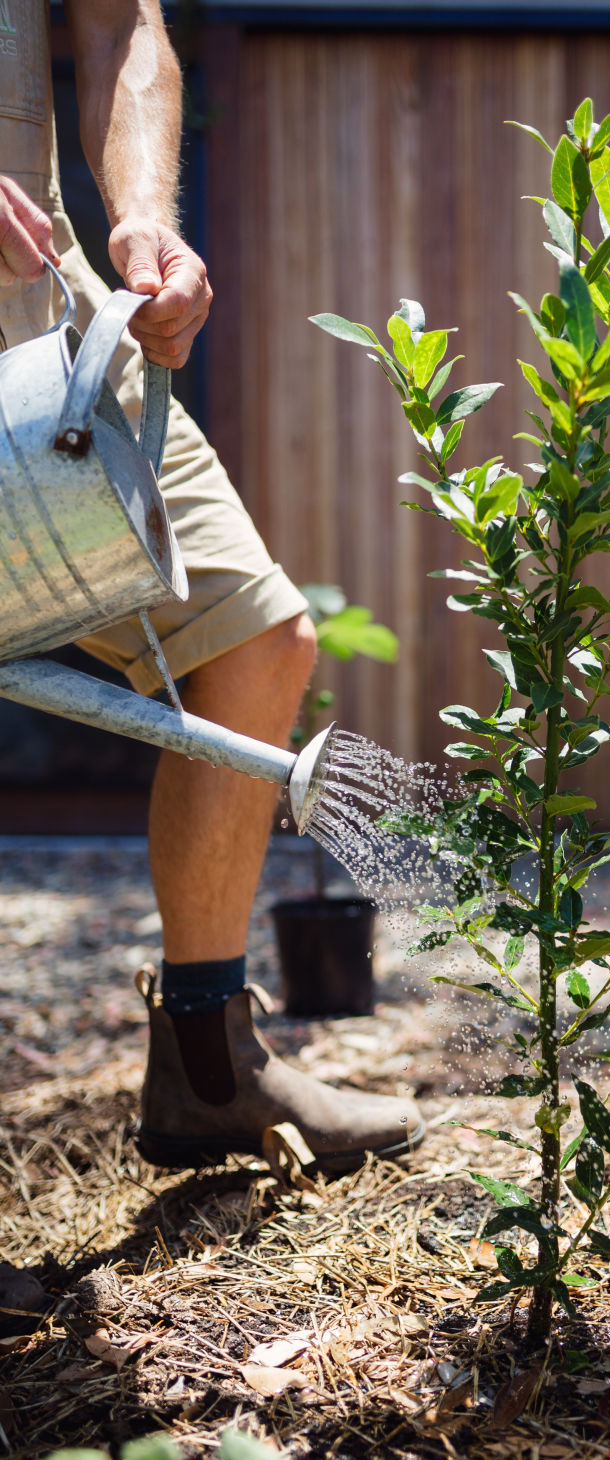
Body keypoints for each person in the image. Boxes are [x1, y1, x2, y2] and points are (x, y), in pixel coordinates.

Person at [0, 0, 424, 1180]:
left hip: (54, 321)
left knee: (257, 638)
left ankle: (205, 1066)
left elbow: (125, 26)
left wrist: (142, 217)